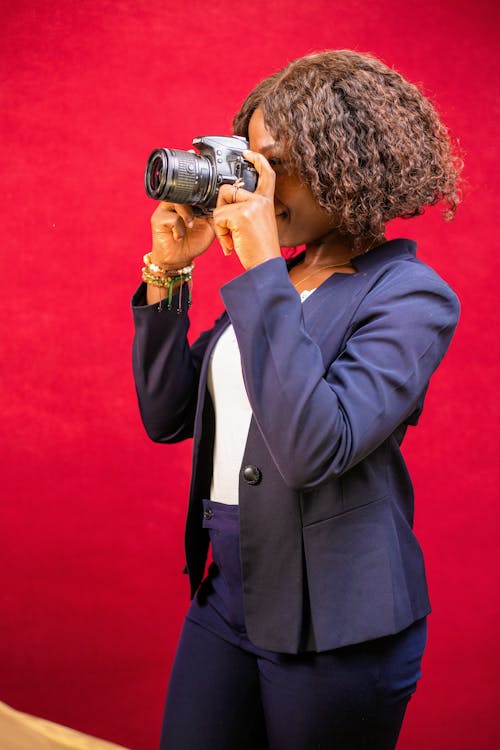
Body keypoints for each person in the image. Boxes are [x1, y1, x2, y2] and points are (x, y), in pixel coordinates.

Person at [131, 50, 461, 750]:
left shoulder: (409, 298)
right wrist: (168, 270)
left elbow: (315, 445)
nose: (256, 181)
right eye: (250, 158)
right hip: (229, 597)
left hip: (341, 624)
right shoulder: (278, 283)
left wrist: (257, 270)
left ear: (346, 163)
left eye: (277, 160)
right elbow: (168, 414)